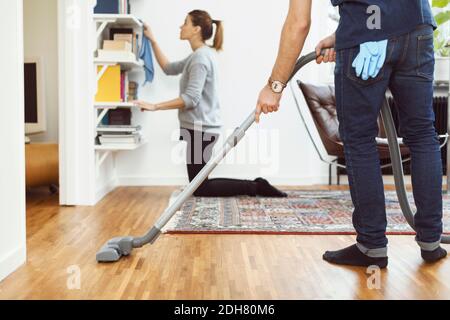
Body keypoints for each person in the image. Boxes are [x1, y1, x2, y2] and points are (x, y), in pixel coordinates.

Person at [256, 0, 447, 268]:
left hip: (365, 34)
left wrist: (274, 86)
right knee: (423, 133)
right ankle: (431, 241)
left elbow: (298, 23)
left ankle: (372, 246)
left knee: (359, 139)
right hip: (417, 28)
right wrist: (343, 34)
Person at [134, 10, 286, 198]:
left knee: (199, 187)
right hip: (199, 127)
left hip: (200, 128)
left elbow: (191, 99)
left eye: (185, 23)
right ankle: (255, 186)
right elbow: (168, 68)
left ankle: (255, 187)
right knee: (198, 185)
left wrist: (155, 106)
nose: (181, 27)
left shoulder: (200, 58)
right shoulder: (198, 55)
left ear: (196, 29)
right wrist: (153, 40)